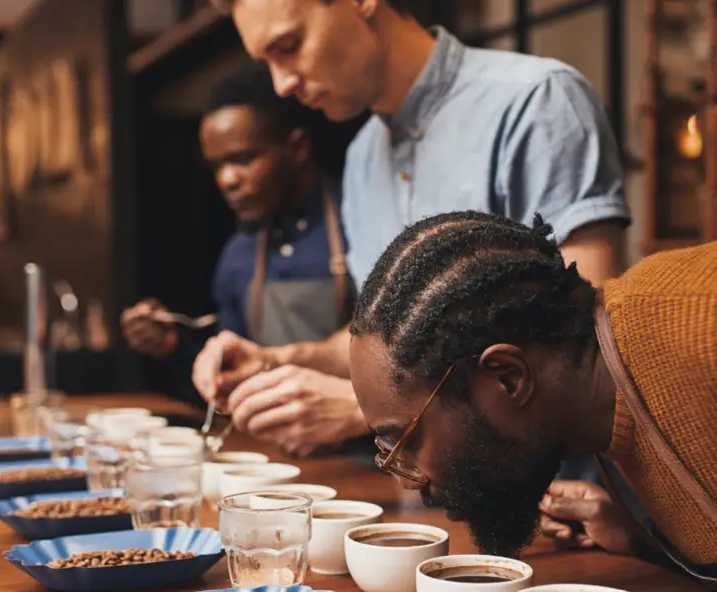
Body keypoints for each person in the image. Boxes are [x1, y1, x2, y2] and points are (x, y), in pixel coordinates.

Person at [192, 0, 630, 456]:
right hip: (421, 488)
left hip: (549, 496)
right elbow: (386, 339)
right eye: (267, 62)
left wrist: (366, 410)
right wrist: (279, 360)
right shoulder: (363, 156)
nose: (282, 84)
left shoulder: (535, 101)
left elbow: (583, 348)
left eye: (289, 46)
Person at [347, 210, 717, 575]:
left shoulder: (703, 325)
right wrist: (644, 543)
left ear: (508, 377)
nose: (407, 480)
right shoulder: (608, 390)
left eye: (404, 442)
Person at [122, 61, 354, 403]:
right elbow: (227, 382)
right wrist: (172, 345)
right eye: (217, 166)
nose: (227, 180)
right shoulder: (239, 253)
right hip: (272, 439)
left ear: (298, 147)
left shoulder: (361, 218)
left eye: (243, 159)